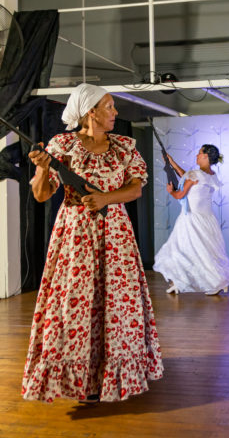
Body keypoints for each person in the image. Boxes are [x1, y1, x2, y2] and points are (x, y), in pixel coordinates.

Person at [21, 83, 163, 403]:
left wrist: (105, 198)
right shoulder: (63, 145)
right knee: (78, 305)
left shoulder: (125, 147)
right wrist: (44, 168)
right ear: (91, 112)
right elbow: (42, 194)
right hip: (76, 234)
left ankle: (110, 377)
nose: (115, 113)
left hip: (116, 235)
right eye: (109, 107)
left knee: (116, 305)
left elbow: (135, 189)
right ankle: (80, 382)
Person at [153, 145, 229, 295]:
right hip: (208, 220)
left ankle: (182, 281)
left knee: (178, 250)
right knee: (205, 253)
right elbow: (185, 175)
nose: (196, 156)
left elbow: (180, 195)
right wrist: (172, 162)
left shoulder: (195, 174)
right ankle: (212, 281)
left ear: (206, 157)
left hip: (191, 220)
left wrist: (171, 191)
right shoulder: (211, 175)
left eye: (199, 153)